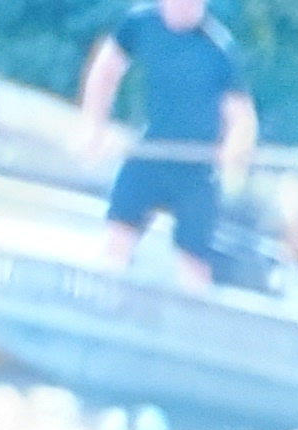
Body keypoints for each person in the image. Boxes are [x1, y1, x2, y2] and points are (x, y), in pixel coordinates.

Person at [75, 0, 256, 289]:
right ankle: (106, 299)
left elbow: (242, 117)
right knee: (117, 237)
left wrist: (233, 152)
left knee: (193, 262)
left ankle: (192, 313)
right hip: (150, 153)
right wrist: (94, 127)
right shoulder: (140, 23)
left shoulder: (218, 48)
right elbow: (105, 70)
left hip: (196, 168)